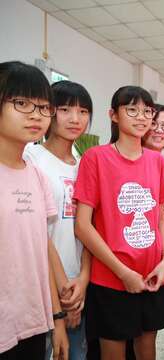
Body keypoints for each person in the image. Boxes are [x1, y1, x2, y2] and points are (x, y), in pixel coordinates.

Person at [74, 86, 164, 360]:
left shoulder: (157, 162)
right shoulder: (96, 158)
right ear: (114, 115)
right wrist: (123, 273)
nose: (141, 117)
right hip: (111, 278)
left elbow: (160, 220)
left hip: (154, 274)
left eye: (147, 111)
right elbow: (83, 226)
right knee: (113, 351)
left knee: (147, 348)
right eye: (132, 109)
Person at [0, 61, 69, 359]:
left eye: (43, 107)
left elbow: (42, 247)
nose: (35, 115)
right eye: (21, 103)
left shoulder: (36, 174)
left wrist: (57, 319)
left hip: (32, 323)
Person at [24, 80, 93, 360]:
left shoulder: (84, 162)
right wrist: (64, 289)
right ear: (49, 112)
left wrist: (83, 281)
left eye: (83, 111)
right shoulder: (31, 158)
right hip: (41, 286)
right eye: (64, 109)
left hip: (77, 286)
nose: (75, 119)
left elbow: (89, 228)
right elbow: (38, 231)